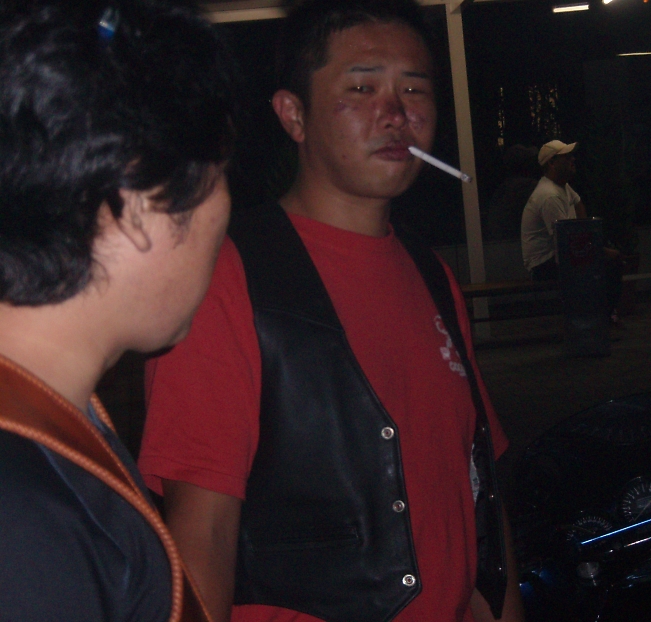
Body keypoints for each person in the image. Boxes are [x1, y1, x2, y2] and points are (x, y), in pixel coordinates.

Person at [137, 2, 524, 622]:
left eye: (414, 90)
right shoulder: (231, 277)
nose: (395, 115)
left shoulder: (433, 276)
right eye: (362, 89)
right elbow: (200, 535)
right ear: (293, 115)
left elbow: (476, 490)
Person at [0, 1, 237, 620]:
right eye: (219, 177)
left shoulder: (52, 416)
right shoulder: (24, 518)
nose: (224, 215)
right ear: (135, 204)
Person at [521, 139, 622, 321]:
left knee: (604, 260)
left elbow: (578, 203)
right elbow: (566, 240)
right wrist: (598, 249)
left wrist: (585, 234)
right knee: (608, 263)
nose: (572, 159)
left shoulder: (561, 186)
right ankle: (598, 317)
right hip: (544, 264)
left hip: (558, 255)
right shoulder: (549, 196)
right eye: (566, 157)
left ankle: (598, 316)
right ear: (552, 163)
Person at [484, 144, 539, 241]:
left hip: (502, 242)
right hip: (515, 243)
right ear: (525, 165)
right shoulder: (527, 187)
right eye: (530, 160)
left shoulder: (504, 187)